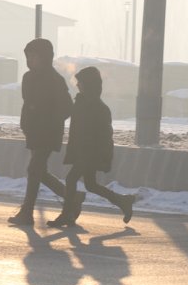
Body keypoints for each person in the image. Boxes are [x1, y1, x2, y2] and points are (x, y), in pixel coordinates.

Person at [8, 38, 83, 226]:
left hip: (48, 133)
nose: (31, 60)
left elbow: (67, 107)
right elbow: (29, 103)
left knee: (34, 170)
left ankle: (27, 212)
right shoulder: (28, 78)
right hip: (33, 132)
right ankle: (72, 197)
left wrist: (49, 121)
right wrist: (27, 123)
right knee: (39, 172)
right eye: (29, 57)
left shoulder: (54, 80)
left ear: (46, 58)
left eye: (35, 57)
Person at [47, 66, 135, 228]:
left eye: (80, 82)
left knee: (71, 178)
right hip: (82, 152)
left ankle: (67, 214)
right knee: (91, 185)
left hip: (90, 154)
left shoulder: (99, 108)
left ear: (88, 84)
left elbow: (106, 137)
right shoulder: (81, 103)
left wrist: (105, 157)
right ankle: (123, 201)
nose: (77, 85)